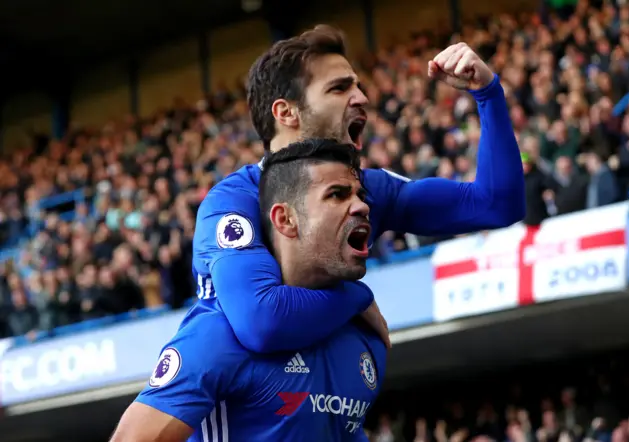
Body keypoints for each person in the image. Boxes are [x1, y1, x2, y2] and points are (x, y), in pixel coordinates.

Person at [188, 25, 525, 353]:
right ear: (286, 112)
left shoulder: (370, 191)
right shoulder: (232, 203)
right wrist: (357, 296)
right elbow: (263, 322)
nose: (362, 98)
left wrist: (488, 94)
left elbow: (497, 204)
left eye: (358, 87)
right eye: (339, 89)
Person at [111, 139, 386, 442]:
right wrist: (359, 296)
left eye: (360, 195)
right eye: (337, 195)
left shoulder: (365, 337)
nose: (361, 206)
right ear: (286, 219)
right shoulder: (218, 336)